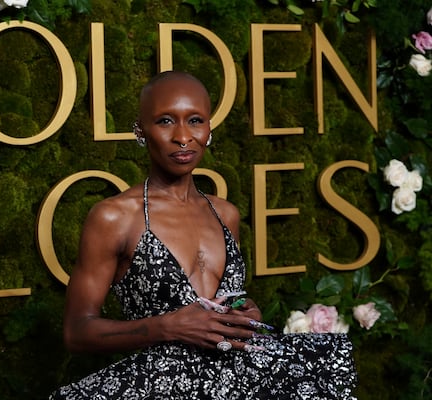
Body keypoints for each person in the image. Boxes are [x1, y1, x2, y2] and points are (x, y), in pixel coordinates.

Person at [50, 71, 357, 399]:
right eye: (166, 121)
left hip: (243, 377)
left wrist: (242, 311)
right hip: (166, 385)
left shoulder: (225, 214)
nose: (183, 137)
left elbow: (222, 298)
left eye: (195, 120)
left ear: (209, 129)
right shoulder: (115, 217)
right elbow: (76, 332)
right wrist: (168, 327)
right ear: (141, 130)